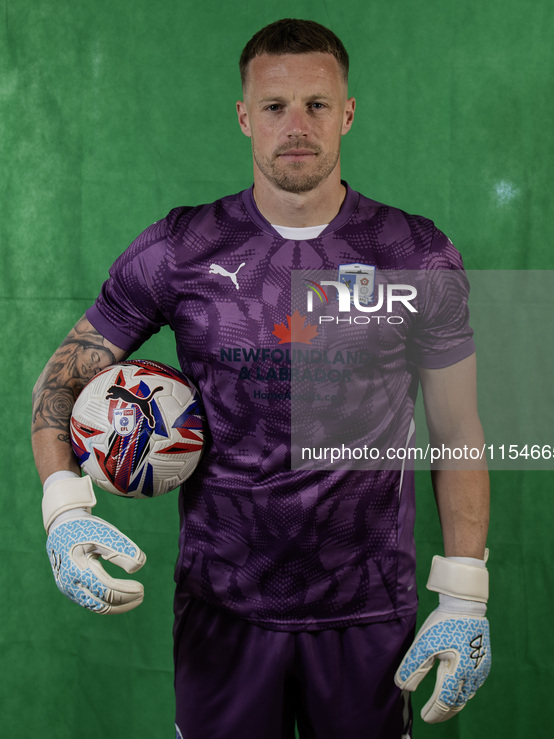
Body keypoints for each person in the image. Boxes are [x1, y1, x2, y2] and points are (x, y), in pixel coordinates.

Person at [32, 18, 491, 739]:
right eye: (275, 107)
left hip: (367, 613)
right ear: (245, 117)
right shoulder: (181, 248)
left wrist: (465, 593)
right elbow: (61, 381)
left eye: (316, 103)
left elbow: (457, 430)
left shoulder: (415, 254)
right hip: (224, 614)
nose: (296, 125)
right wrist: (64, 507)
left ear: (347, 113)